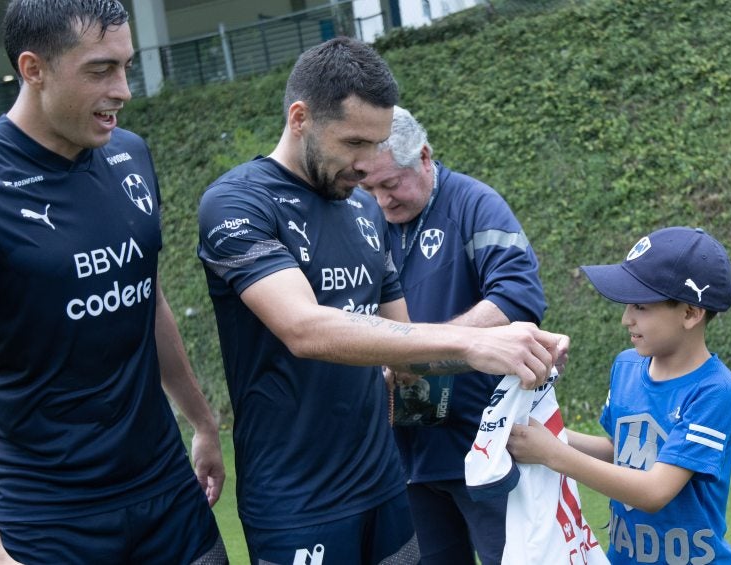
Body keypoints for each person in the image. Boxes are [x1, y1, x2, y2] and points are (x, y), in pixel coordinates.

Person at [197, 37, 567, 565]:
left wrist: (517, 342)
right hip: (298, 496)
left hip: (385, 485)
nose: (368, 166)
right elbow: (305, 329)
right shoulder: (237, 203)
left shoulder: (363, 213)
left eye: (376, 145)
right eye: (354, 144)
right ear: (300, 118)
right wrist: (472, 343)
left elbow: (404, 355)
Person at [0, 1, 227, 564]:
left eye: (126, 66)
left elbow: (148, 295)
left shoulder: (131, 154)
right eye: (100, 70)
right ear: (33, 68)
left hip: (164, 489)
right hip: (48, 514)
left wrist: (203, 421)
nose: (123, 90)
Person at [358, 106, 547, 565]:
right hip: (406, 457)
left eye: (391, 184)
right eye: (370, 188)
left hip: (485, 450)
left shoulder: (474, 205)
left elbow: (519, 300)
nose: (382, 200)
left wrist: (423, 350)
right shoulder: (365, 222)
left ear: (423, 157)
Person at [508, 226, 731, 564]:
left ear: (690, 314)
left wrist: (552, 453)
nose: (625, 319)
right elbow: (623, 450)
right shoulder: (627, 366)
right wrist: (547, 434)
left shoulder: (714, 391)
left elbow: (654, 491)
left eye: (640, 307)